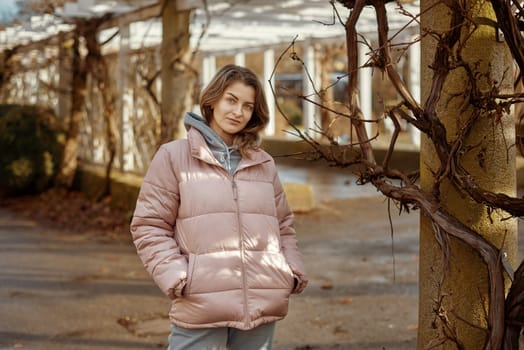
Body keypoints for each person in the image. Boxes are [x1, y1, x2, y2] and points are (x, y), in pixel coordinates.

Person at [130, 64, 308, 350]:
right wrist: (178, 276)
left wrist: (290, 269)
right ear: (212, 100)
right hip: (201, 302)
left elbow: (283, 225)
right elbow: (149, 225)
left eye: (247, 106)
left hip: (261, 301)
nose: (238, 112)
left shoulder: (263, 163)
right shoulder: (174, 157)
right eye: (231, 100)